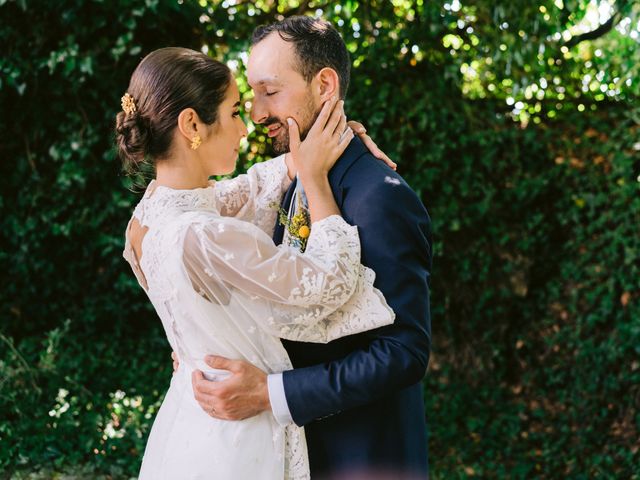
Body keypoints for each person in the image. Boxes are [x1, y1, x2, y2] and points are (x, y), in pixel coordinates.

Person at [117, 47, 396, 479]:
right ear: (192, 124)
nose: (245, 129)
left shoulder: (145, 220)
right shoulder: (207, 236)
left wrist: (309, 151)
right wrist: (314, 179)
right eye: (232, 113)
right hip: (241, 440)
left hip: (190, 422)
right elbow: (331, 284)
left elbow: (245, 191)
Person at [190, 16, 433, 480]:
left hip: (360, 461)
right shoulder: (291, 178)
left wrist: (271, 393)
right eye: (253, 97)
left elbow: (403, 352)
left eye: (270, 92)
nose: (258, 114)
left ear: (324, 85)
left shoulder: (380, 195)